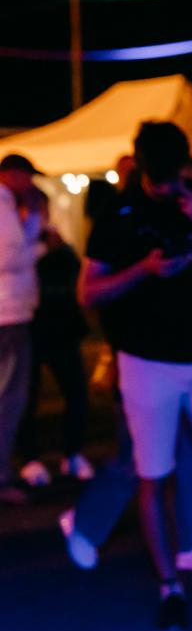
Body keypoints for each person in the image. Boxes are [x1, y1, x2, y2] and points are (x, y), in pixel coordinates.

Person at [80, 121, 192, 628]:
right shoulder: (119, 214)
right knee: (153, 474)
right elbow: (88, 293)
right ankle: (169, 586)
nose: (164, 186)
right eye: (156, 176)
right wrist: (145, 269)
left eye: (171, 175)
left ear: (184, 165)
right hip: (146, 363)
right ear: (141, 165)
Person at [15, 208, 93, 485]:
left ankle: (72, 453)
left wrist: (59, 250)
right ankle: (30, 459)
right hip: (28, 328)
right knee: (26, 395)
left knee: (76, 392)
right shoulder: (15, 246)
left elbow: (75, 274)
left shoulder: (57, 246)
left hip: (62, 329)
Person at [0, 154, 43, 505]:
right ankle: (1, 477)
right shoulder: (2, 205)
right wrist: (42, 246)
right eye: (27, 176)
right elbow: (9, 258)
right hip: (8, 313)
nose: (30, 184)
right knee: (9, 396)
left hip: (11, 311)